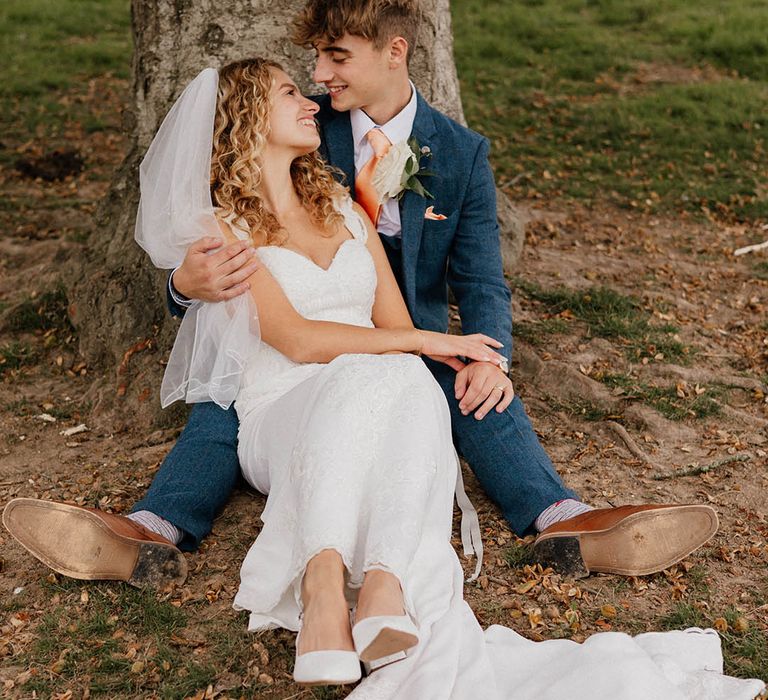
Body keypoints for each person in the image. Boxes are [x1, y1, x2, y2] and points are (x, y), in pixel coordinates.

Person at [10, 56, 764, 699]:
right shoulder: (225, 225)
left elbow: (398, 314)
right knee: (390, 371)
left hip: (381, 378)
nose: (313, 93)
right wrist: (430, 342)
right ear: (244, 120)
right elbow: (300, 341)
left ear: (392, 50)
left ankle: (380, 584)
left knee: (403, 380)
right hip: (281, 398)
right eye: (288, 91)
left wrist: (455, 348)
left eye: (326, 69)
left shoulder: (343, 198)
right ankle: (290, 568)